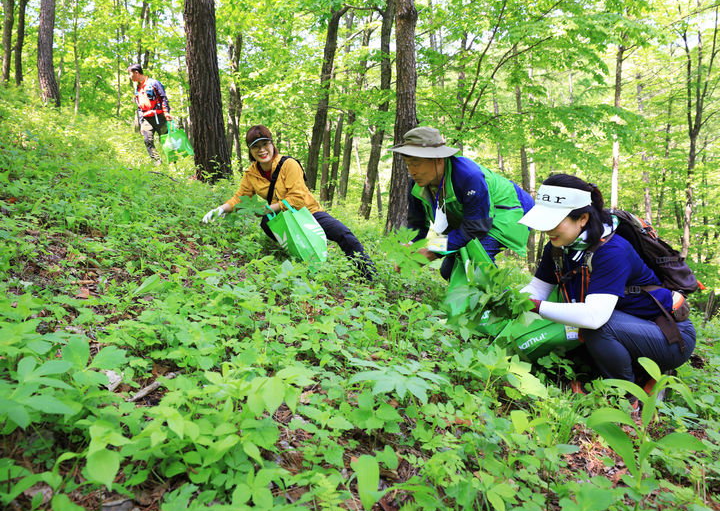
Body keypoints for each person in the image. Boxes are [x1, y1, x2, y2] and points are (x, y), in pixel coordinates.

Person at [519, 173, 695, 389]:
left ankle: (625, 394)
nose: (547, 230)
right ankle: (618, 370)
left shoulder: (612, 251)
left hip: (668, 336)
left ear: (583, 218)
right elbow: (538, 288)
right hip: (626, 325)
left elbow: (594, 317)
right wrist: (511, 300)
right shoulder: (558, 247)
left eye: (554, 222)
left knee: (597, 327)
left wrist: (536, 307)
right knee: (580, 330)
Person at [202, 125, 376, 279]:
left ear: (272, 145)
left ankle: (368, 274)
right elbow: (241, 198)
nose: (262, 150)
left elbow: (297, 199)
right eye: (256, 147)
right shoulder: (251, 173)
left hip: (308, 212)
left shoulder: (289, 164)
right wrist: (221, 209)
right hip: (283, 218)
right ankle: (300, 261)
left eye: (265, 144)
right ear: (250, 150)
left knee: (343, 234)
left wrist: (269, 208)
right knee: (267, 224)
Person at [389, 126, 534, 280]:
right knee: (449, 272)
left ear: (438, 159)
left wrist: (432, 250)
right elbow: (417, 223)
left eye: (416, 164)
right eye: (408, 164)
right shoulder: (417, 185)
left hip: (510, 212)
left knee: (474, 266)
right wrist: (411, 245)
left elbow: (476, 228)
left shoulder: (469, 177)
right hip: (477, 222)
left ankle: (504, 301)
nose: (412, 171)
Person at [128, 63, 172, 164]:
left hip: (159, 116)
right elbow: (139, 107)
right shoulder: (137, 88)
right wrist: (141, 123)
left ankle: (173, 163)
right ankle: (157, 162)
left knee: (166, 140)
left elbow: (163, 98)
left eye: (130, 74)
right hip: (147, 118)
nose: (130, 77)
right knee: (148, 140)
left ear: (136, 73)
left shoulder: (154, 83)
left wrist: (166, 113)